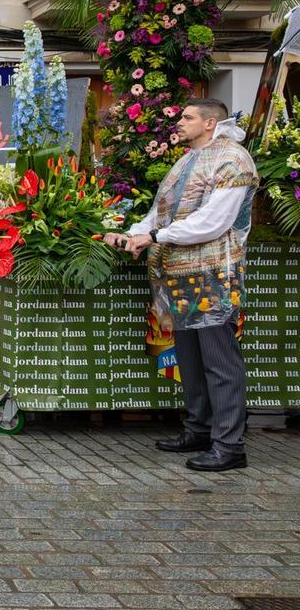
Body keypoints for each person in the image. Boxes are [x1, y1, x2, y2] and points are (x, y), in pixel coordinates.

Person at [104, 99, 258, 472]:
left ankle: (229, 445)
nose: (179, 123)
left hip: (212, 276)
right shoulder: (186, 160)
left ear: (210, 122)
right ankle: (199, 429)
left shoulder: (232, 159)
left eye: (187, 117)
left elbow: (213, 222)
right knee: (190, 358)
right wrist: (133, 234)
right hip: (177, 274)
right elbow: (160, 211)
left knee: (220, 361)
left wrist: (155, 235)